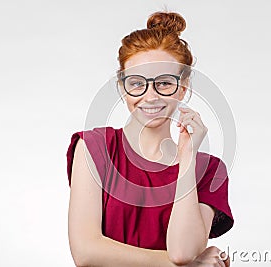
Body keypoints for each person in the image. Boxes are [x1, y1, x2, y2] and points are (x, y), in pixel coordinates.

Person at [66, 10, 234, 267]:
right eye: (137, 83)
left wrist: (187, 158)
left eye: (165, 83)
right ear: (122, 86)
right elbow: (86, 252)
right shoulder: (94, 147)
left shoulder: (209, 170)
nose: (150, 96)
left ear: (184, 87)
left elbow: (182, 252)